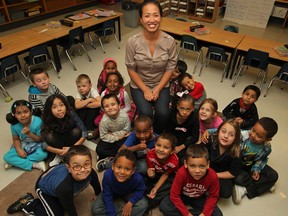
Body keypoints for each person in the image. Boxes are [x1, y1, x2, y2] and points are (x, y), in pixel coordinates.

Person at [125, 0, 177, 134]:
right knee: (146, 113)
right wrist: (146, 90)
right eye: (147, 16)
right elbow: (131, 69)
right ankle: (145, 134)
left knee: (163, 114)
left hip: (161, 83)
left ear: (161, 17)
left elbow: (170, 69)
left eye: (156, 15)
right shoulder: (132, 42)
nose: (152, 20)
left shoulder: (170, 41)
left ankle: (156, 135)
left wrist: (158, 89)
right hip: (139, 84)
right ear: (141, 19)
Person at [8, 145, 101, 215]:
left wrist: (97, 194)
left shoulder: (91, 172)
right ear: (68, 168)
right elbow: (69, 207)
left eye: (87, 164)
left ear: (91, 163)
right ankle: (28, 203)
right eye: (77, 166)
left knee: (62, 201)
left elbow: (95, 183)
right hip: (44, 187)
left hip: (57, 179)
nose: (83, 169)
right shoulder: (65, 188)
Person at [159, 144, 222, 216]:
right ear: (185, 164)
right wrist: (187, 214)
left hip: (199, 197)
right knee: (164, 206)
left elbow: (213, 196)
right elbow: (174, 195)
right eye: (192, 166)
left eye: (202, 166)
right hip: (182, 195)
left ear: (208, 164)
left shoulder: (213, 176)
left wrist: (204, 214)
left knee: (218, 214)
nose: (197, 171)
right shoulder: (181, 173)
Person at [231, 117, 278, 204]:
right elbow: (225, 131)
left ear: (267, 139)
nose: (253, 135)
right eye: (253, 130)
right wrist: (209, 132)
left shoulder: (266, 147)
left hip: (251, 165)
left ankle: (245, 189)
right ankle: (264, 185)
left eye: (259, 136)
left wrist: (256, 169)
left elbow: (262, 159)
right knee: (239, 178)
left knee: (273, 175)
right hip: (239, 165)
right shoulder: (242, 135)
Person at [91, 149, 148, 216]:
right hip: (112, 192)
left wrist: (130, 203)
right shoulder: (107, 175)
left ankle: (124, 211)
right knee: (96, 209)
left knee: (143, 204)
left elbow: (141, 190)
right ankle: (121, 210)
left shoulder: (137, 178)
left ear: (133, 171)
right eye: (119, 167)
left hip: (129, 192)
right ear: (113, 167)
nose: (122, 172)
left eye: (127, 169)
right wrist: (111, 213)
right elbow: (107, 195)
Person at [41, 94, 87, 167]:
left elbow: (84, 133)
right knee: (49, 137)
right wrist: (60, 151)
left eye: (61, 105)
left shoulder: (71, 113)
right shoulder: (47, 119)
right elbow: (43, 144)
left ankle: (71, 152)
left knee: (77, 131)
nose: (59, 109)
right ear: (49, 109)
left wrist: (71, 149)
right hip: (58, 142)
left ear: (65, 105)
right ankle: (61, 155)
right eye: (54, 107)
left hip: (71, 138)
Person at [201, 119, 242, 198]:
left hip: (221, 174)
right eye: (223, 131)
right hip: (206, 168)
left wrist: (213, 175)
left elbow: (232, 173)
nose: (226, 136)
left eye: (231, 135)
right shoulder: (210, 139)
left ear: (236, 138)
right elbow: (199, 155)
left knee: (226, 192)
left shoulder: (237, 151)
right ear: (218, 131)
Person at [3, 100, 47, 171]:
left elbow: (39, 139)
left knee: (43, 154)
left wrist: (29, 134)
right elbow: (16, 139)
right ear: (14, 115)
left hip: (36, 143)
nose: (23, 115)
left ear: (31, 112)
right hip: (23, 144)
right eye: (19, 113)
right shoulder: (14, 125)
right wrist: (19, 149)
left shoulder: (38, 121)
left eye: (25, 112)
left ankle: (17, 162)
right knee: (7, 157)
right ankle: (34, 164)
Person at [146, 132, 179, 209]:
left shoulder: (174, 162)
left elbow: (166, 174)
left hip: (167, 175)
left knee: (170, 186)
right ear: (155, 144)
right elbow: (151, 170)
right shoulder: (150, 154)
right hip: (156, 173)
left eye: (166, 147)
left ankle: (148, 204)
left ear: (172, 151)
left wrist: (156, 188)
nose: (160, 149)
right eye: (158, 145)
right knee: (144, 182)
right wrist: (151, 174)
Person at [165, 94, 199, 164]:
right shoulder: (171, 114)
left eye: (188, 109)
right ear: (177, 107)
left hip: (185, 143)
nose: (184, 112)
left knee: (181, 160)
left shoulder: (194, 117)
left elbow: (195, 137)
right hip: (171, 140)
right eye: (182, 108)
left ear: (193, 108)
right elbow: (167, 132)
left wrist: (181, 147)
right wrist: (171, 146)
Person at [96, 94, 131, 160]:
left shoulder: (124, 116)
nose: (110, 108)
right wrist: (116, 137)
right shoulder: (104, 121)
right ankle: (117, 156)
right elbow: (103, 136)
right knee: (99, 149)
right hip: (112, 138)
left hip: (122, 137)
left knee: (131, 143)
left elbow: (127, 130)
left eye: (113, 104)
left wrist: (114, 134)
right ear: (103, 110)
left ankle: (118, 155)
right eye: (106, 106)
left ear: (119, 106)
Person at [74, 74, 101, 139]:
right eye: (79, 86)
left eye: (84, 86)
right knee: (78, 110)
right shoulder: (78, 93)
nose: (81, 88)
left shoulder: (93, 91)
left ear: (90, 86)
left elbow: (100, 103)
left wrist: (84, 104)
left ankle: (90, 129)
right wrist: (89, 100)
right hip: (85, 110)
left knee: (93, 109)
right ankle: (82, 127)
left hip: (93, 111)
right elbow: (77, 106)